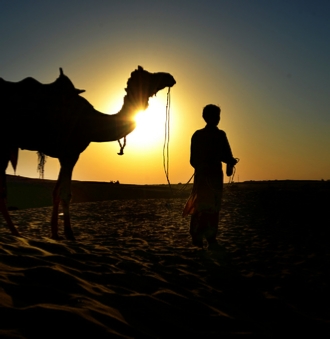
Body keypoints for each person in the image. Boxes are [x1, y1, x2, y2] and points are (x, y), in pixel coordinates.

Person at [182, 104, 237, 248]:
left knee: (213, 207)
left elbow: (227, 155)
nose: (217, 119)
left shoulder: (221, 135)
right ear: (206, 117)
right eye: (214, 116)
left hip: (215, 178)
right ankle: (197, 237)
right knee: (201, 207)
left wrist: (230, 161)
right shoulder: (198, 135)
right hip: (202, 178)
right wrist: (202, 166)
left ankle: (211, 237)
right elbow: (193, 160)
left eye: (218, 116)